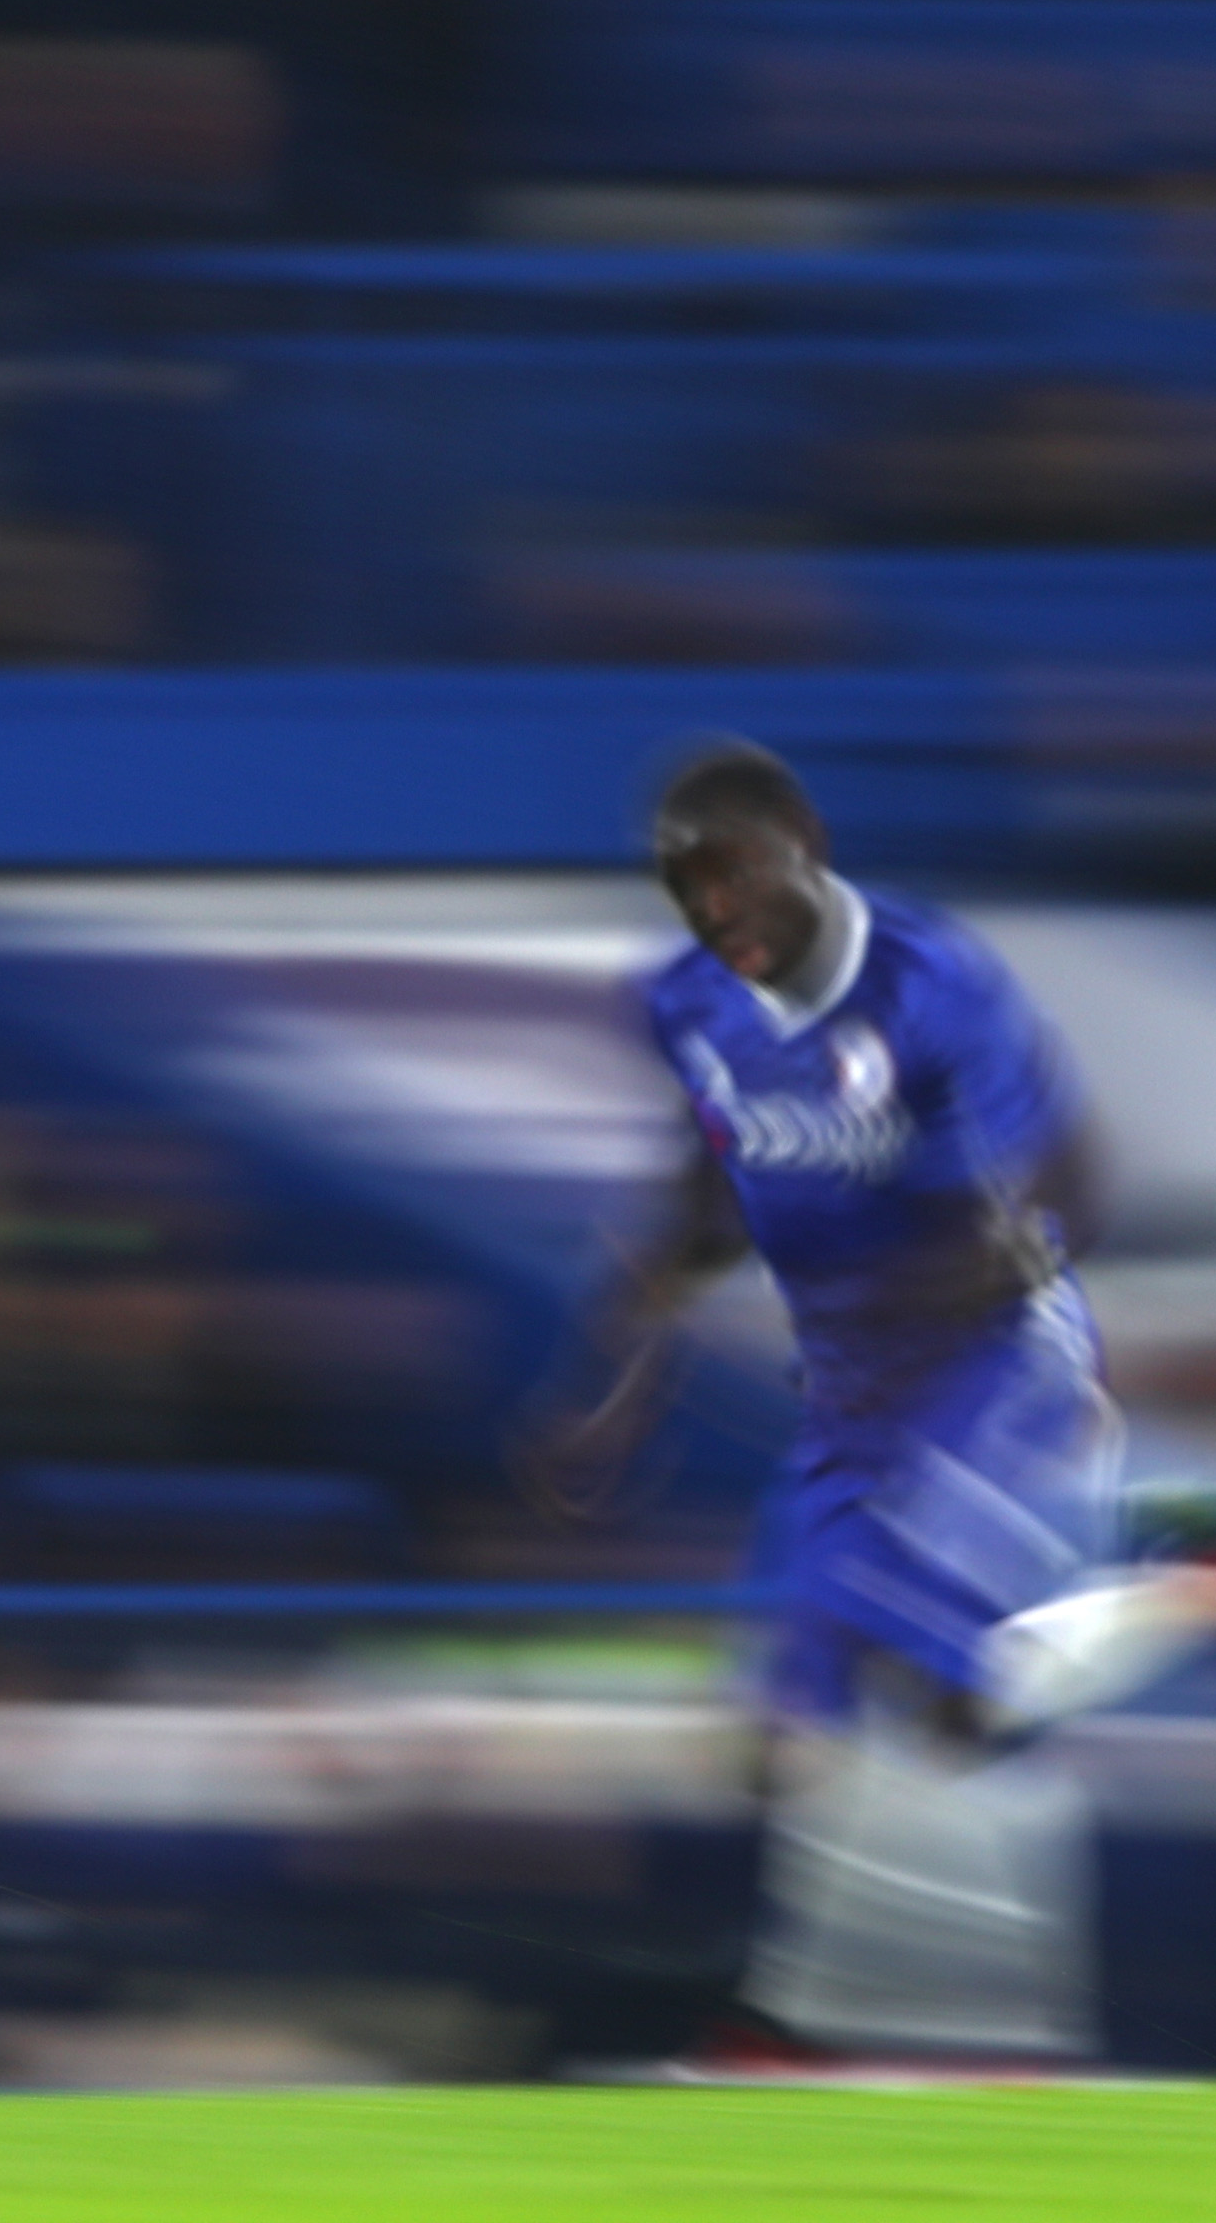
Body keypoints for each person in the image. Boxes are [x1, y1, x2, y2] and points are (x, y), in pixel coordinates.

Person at [521, 741, 1197, 2068]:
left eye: (733, 876)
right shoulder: (689, 1007)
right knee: (784, 1734)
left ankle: (1181, 1563)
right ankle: (815, 2020)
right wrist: (615, 1381)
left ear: (803, 845)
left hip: (992, 1363)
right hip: (847, 1393)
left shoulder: (931, 988)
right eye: (683, 889)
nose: (714, 912)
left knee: (924, 1669)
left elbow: (1068, 1182)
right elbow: (705, 1185)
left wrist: (981, 1260)